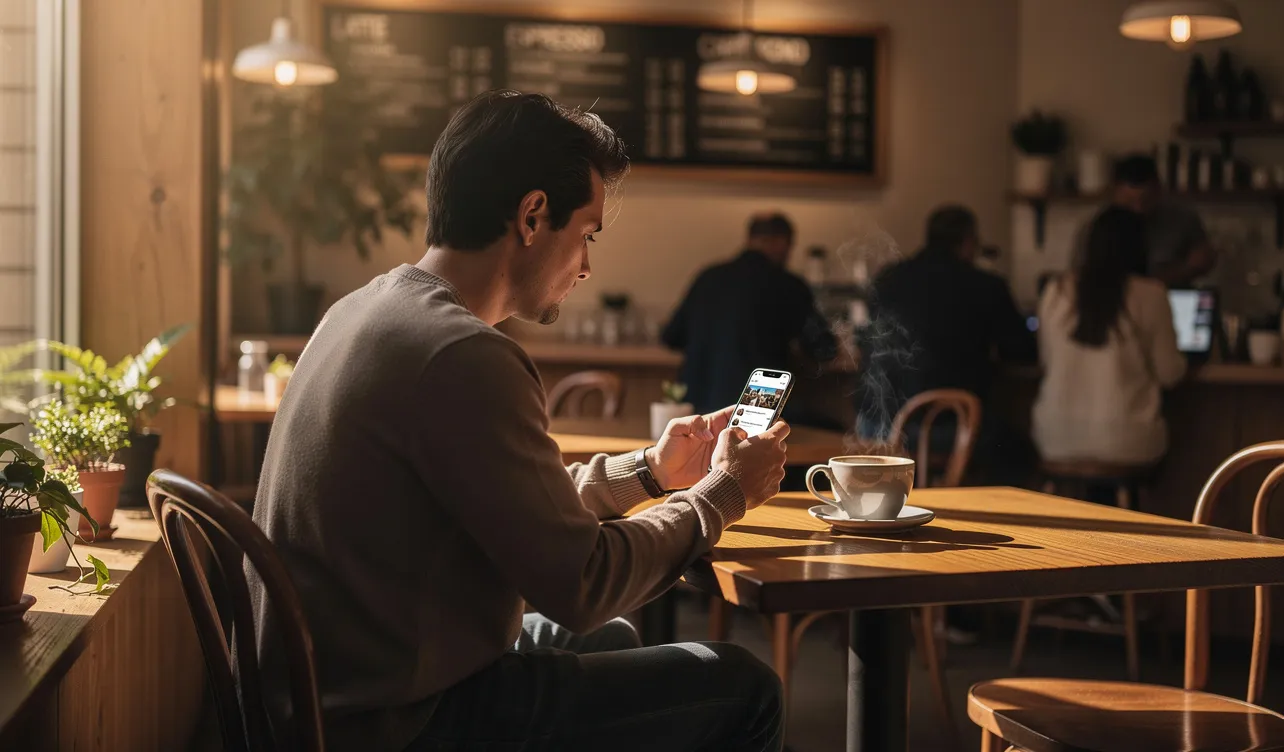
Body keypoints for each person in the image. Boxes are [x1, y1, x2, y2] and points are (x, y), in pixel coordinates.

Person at [246, 90, 788, 752]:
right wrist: (723, 494)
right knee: (745, 686)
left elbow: (513, 509)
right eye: (586, 234)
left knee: (610, 640)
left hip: (319, 695)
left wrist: (649, 472)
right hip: (398, 723)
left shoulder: (363, 310)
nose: (587, 266)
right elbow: (582, 583)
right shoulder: (463, 355)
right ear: (533, 216)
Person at [856, 205, 1037, 486]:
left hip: (878, 425)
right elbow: (1022, 350)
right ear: (967, 242)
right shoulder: (985, 285)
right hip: (945, 426)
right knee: (1020, 452)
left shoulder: (888, 279)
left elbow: (867, 337)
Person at [1036, 206, 1187, 465]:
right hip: (1127, 442)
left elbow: (1046, 361)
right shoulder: (1150, 294)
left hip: (1056, 438)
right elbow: (1169, 373)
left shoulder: (1056, 290)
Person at [662, 213, 837, 416]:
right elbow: (823, 348)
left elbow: (670, 337)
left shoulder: (708, 278)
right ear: (781, 242)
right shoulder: (787, 285)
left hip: (697, 404)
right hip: (758, 406)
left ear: (749, 239)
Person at [1072, 154, 1215, 288]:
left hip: (1173, 300)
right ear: (1114, 194)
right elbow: (1079, 278)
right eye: (1129, 202)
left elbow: (1202, 263)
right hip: (1112, 307)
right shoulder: (1097, 227)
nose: (1138, 209)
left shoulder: (1184, 221)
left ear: (1159, 190)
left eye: (1146, 201)